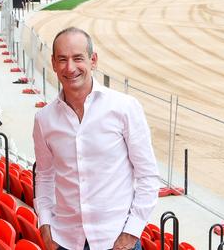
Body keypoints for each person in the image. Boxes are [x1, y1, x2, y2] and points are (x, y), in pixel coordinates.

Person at [33, 27, 160, 250]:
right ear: (53, 63)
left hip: (117, 242)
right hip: (65, 242)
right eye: (62, 59)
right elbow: (44, 176)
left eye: (78, 58)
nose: (70, 68)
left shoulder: (125, 108)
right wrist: (45, 225)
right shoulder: (44, 119)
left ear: (93, 60)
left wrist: (130, 234)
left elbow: (148, 175)